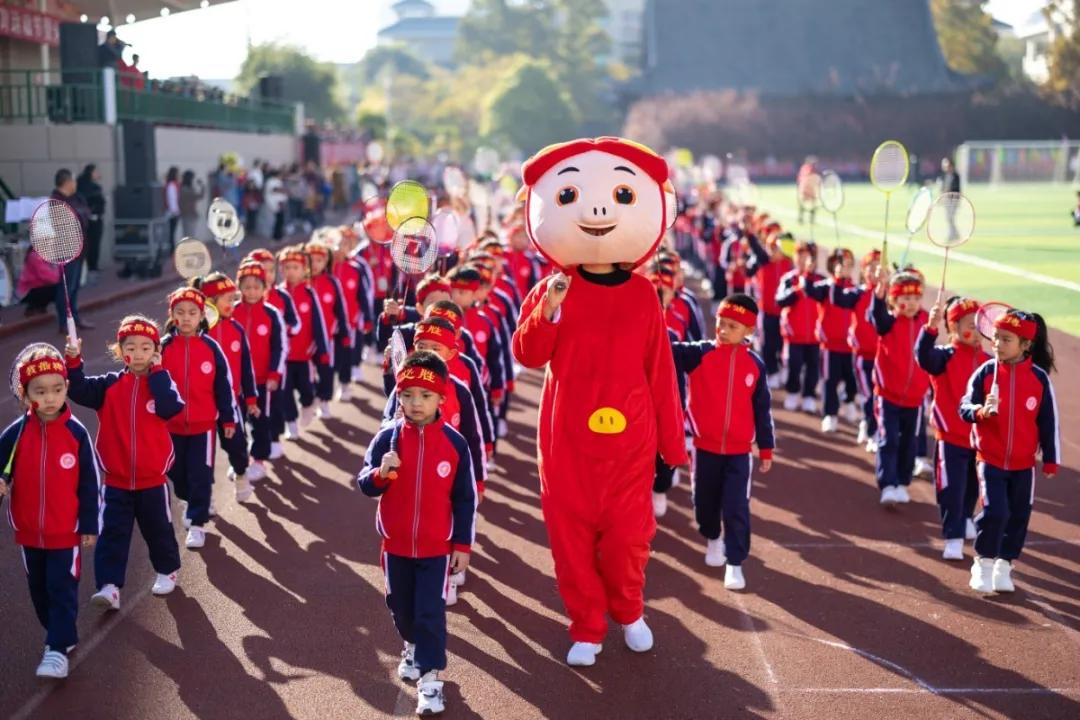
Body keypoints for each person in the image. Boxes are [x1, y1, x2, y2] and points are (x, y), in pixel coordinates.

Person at [357, 350, 477, 716]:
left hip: (436, 550)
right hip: (394, 547)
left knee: (429, 614)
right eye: (407, 395)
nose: (415, 403)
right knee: (401, 610)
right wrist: (381, 473)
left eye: (425, 396)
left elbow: (465, 499)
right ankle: (410, 645)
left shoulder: (455, 444)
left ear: (441, 398)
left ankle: (430, 680)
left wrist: (462, 545)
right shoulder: (386, 439)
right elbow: (364, 483)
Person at [65, 316, 184, 612]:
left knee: (158, 529)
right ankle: (109, 586)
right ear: (120, 351)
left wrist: (157, 372)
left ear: (156, 351)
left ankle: (167, 569)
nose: (139, 353)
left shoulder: (163, 383)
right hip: (116, 481)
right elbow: (77, 390)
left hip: (152, 481)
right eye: (131, 347)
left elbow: (170, 408)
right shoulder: (108, 385)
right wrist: (73, 361)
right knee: (111, 535)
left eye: (147, 347)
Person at [0, 347, 99, 679]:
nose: (51, 397)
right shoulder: (14, 435)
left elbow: (89, 483)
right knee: (39, 592)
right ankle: (62, 634)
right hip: (29, 533)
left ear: (66, 388)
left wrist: (88, 524)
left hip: (65, 532)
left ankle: (56, 648)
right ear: (25, 394)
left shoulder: (76, 434)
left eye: (58, 388)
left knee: (61, 588)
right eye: (40, 391)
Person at [670, 295, 775, 590]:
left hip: (740, 454)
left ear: (748, 332)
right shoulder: (699, 353)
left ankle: (735, 562)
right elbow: (667, 348)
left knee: (736, 506)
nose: (723, 330)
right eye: (720, 322)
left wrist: (765, 447)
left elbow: (762, 409)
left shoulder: (755, 366)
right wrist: (657, 315)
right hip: (704, 450)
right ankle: (712, 537)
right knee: (704, 506)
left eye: (732, 326)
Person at [960, 309, 1059, 594]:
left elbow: (1048, 422)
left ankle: (1004, 565)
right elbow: (963, 407)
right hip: (989, 459)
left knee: (1018, 516)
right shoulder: (985, 373)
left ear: (1025, 344)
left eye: (1006, 339)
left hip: (1023, 464)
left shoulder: (1039, 379)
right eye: (996, 338)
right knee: (996, 511)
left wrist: (1051, 459)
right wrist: (981, 411)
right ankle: (983, 562)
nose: (998, 344)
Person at [160, 287, 238, 549]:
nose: (186, 318)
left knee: (200, 474)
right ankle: (188, 499)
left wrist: (227, 419)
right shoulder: (163, 348)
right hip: (170, 426)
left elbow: (224, 387)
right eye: (180, 312)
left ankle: (197, 523)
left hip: (203, 427)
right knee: (176, 474)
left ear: (202, 315)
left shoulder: (211, 347)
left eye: (192, 313)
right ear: (172, 315)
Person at [916, 297, 990, 560]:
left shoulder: (989, 361)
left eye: (980, 324)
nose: (977, 330)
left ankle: (966, 518)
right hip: (950, 438)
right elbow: (923, 357)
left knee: (973, 487)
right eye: (970, 324)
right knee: (952, 489)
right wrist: (930, 329)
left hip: (979, 440)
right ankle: (953, 536)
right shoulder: (944, 356)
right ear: (954, 328)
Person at [869, 269, 931, 505]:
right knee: (889, 439)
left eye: (916, 299)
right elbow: (877, 315)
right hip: (888, 396)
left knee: (910, 443)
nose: (912, 304)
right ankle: (887, 484)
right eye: (906, 299)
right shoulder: (888, 322)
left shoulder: (925, 322)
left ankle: (902, 482)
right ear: (894, 300)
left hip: (915, 399)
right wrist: (880, 292)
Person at [199, 273, 258, 502]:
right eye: (226, 298)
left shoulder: (237, 329)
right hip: (202, 403)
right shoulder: (199, 333)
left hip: (231, 402)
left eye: (234, 298)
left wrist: (251, 397)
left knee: (237, 445)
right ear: (210, 301)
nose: (232, 304)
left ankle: (242, 476)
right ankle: (205, 498)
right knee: (203, 456)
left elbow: (246, 367)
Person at [232, 261, 285, 483]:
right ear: (239, 287)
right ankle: (240, 461)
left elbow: (279, 347)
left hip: (263, 381)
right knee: (237, 424)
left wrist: (274, 374)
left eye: (256, 286)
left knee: (260, 421)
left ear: (265, 287)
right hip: (237, 383)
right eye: (247, 286)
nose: (252, 291)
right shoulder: (231, 312)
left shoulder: (272, 314)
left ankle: (259, 460)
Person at [278, 246, 330, 439]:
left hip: (305, 354)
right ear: (281, 270)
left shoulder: (309, 294)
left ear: (303, 270)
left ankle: (309, 402)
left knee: (307, 390)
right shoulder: (277, 294)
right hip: (283, 357)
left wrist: (322, 350)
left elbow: (319, 324)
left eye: (295, 267)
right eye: (287, 267)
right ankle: (291, 425)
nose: (291, 271)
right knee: (285, 392)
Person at [806, 248, 859, 432]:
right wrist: (809, 272)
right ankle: (830, 414)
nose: (845, 268)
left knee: (852, 381)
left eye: (848, 264)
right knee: (830, 381)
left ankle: (849, 400)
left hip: (851, 347)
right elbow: (810, 291)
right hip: (830, 346)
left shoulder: (856, 290)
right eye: (841, 264)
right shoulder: (826, 286)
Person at [775, 240, 823, 413]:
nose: (805, 260)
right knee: (794, 365)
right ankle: (793, 392)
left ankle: (809, 395)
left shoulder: (820, 280)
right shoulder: (789, 279)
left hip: (815, 336)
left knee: (813, 368)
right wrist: (797, 290)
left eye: (808, 256)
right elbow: (780, 300)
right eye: (801, 256)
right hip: (794, 335)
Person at [306, 241, 348, 419]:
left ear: (326, 262)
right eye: (311, 260)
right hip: (304, 340)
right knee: (307, 375)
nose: (314, 264)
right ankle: (309, 401)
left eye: (319, 260)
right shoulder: (302, 284)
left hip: (327, 338)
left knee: (326, 370)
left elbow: (341, 309)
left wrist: (344, 333)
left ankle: (324, 401)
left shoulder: (332, 282)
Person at [51, 168, 93, 334]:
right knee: (66, 287)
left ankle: (74, 318)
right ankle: (64, 321)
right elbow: (64, 224)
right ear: (67, 182)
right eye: (73, 181)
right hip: (66, 249)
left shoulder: (76, 198)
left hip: (79, 248)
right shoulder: (56, 200)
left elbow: (85, 214)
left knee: (74, 286)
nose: (76, 184)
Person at [76, 164, 105, 279]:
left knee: (88, 244)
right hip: (92, 220)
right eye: (96, 171)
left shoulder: (80, 186)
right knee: (93, 244)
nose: (98, 174)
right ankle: (92, 267)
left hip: (86, 219)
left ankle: (90, 266)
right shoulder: (92, 188)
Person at [16, 247, 60, 316]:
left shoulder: (45, 254)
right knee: (58, 289)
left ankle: (40, 306)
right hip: (28, 292)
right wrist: (61, 280)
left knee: (59, 287)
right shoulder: (34, 256)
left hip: (39, 287)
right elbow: (46, 276)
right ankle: (34, 307)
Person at [179, 170, 206, 239]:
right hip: (188, 215)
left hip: (189, 214)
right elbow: (199, 196)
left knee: (189, 235)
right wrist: (202, 186)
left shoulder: (185, 188)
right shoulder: (185, 189)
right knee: (189, 235)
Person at [164, 167, 181, 253]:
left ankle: (171, 249)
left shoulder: (172, 184)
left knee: (171, 232)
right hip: (172, 212)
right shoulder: (172, 185)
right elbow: (172, 199)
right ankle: (171, 250)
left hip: (172, 211)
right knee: (171, 232)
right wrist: (175, 211)